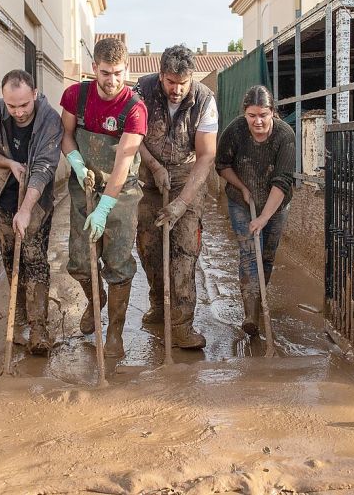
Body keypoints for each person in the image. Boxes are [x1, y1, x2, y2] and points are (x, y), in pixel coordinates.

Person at [59, 37, 147, 358]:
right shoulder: (76, 97)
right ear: (94, 68)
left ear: (127, 69)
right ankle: (96, 301)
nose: (112, 81)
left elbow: (124, 160)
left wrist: (106, 207)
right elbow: (66, 136)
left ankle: (115, 333)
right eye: (106, 73)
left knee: (119, 262)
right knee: (80, 262)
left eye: (118, 73)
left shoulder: (134, 109)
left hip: (121, 192)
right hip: (84, 186)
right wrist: (77, 163)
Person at [133, 45, 218, 350]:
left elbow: (207, 155)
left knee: (184, 251)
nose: (177, 89)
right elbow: (131, 137)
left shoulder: (205, 99)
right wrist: (154, 167)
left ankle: (182, 325)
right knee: (149, 247)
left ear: (191, 77)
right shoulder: (141, 90)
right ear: (161, 75)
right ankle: (159, 305)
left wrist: (183, 202)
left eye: (183, 83)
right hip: (147, 177)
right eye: (171, 82)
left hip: (186, 176)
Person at [0, 70, 62, 355]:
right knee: (12, 258)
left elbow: (44, 168)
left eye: (24, 104)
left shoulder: (50, 120)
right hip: (2, 195)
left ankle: (39, 328)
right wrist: (9, 163)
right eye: (12, 106)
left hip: (36, 199)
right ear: (4, 99)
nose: (19, 112)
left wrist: (25, 210)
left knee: (34, 259)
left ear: (34, 94)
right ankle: (21, 316)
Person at [215, 85, 295, 337]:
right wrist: (242, 187)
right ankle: (250, 314)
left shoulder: (285, 136)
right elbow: (222, 165)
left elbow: (282, 181)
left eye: (263, 115)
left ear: (272, 112)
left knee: (267, 255)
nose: (257, 121)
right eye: (252, 115)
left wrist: (263, 217)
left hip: (276, 204)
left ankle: (259, 300)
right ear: (244, 113)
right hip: (241, 200)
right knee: (250, 252)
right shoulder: (235, 131)